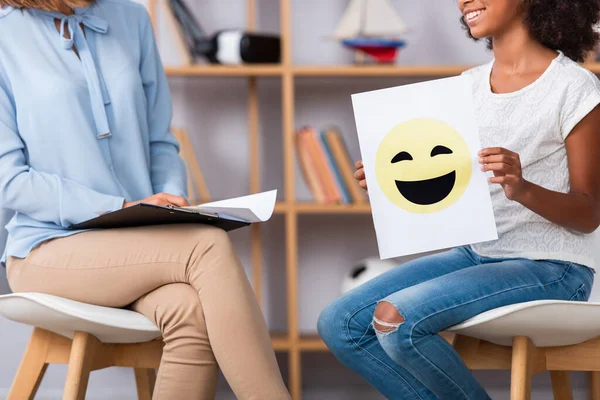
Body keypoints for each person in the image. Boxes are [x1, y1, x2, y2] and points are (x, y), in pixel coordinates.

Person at [0, 0, 290, 399]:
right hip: (45, 248)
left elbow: (160, 142)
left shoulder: (131, 17)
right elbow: (9, 181)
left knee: (190, 312)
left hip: (136, 242)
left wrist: (170, 206)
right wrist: (116, 209)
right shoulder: (4, 34)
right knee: (206, 246)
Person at [318, 0, 600, 398]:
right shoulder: (465, 87)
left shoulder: (575, 87)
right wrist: (389, 183)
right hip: (478, 254)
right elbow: (452, 185)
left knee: (397, 321)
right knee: (340, 322)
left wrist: (523, 189)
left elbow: (589, 212)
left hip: (554, 267)